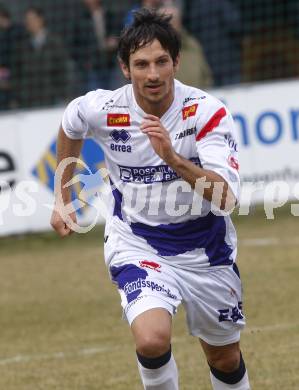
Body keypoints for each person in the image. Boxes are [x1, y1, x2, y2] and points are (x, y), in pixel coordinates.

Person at [51, 8, 250, 390]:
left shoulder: (205, 112)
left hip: (206, 248)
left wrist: (173, 159)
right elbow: (71, 120)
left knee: (224, 357)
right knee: (151, 338)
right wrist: (64, 197)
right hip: (138, 241)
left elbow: (226, 199)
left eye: (161, 61)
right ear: (125, 69)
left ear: (176, 61)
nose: (153, 74)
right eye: (141, 64)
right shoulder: (107, 109)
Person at [14, 6, 69, 108]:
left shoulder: (55, 42)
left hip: (51, 98)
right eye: (27, 20)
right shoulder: (22, 46)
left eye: (32, 19)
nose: (29, 23)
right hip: (29, 99)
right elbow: (18, 73)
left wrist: (63, 95)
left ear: (41, 20)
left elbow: (63, 70)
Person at [160, 3, 213, 88]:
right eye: (167, 22)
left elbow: (206, 75)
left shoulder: (192, 45)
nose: (171, 25)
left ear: (179, 22)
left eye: (174, 21)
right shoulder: (154, 50)